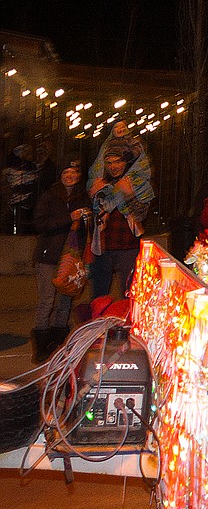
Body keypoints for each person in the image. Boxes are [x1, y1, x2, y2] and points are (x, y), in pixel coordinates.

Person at [31, 159, 89, 362]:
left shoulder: (83, 197)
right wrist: (69, 218)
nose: (70, 176)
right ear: (60, 175)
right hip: (48, 257)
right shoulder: (49, 196)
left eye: (74, 172)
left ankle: (59, 343)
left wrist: (88, 220)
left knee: (65, 301)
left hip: (71, 257)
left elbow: (86, 229)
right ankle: (40, 348)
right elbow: (39, 224)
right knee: (47, 300)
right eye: (66, 172)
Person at [88, 146, 152, 299]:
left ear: (126, 163)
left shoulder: (136, 183)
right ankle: (99, 322)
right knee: (99, 296)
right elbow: (90, 216)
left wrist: (129, 194)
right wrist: (92, 196)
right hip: (103, 247)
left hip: (128, 246)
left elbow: (142, 215)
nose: (113, 166)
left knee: (129, 293)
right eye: (109, 163)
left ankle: (128, 322)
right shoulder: (100, 184)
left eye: (118, 162)